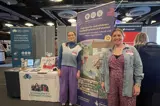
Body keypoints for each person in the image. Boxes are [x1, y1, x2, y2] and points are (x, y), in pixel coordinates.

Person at [101, 28, 144, 106]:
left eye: (119, 35)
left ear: (123, 36)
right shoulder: (108, 52)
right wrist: (103, 80)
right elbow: (104, 67)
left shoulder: (132, 49)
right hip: (111, 84)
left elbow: (138, 66)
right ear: (112, 38)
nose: (117, 37)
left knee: (127, 103)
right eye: (114, 36)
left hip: (127, 84)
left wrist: (138, 84)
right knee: (112, 103)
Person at [58, 31, 82, 106]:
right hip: (63, 67)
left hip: (73, 68)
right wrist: (59, 69)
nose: (70, 36)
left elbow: (79, 61)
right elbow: (60, 58)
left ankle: (72, 101)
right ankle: (63, 100)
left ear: (75, 36)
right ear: (67, 37)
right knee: (63, 85)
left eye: (72, 35)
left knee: (73, 86)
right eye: (69, 35)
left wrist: (78, 71)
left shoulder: (79, 48)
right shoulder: (63, 45)